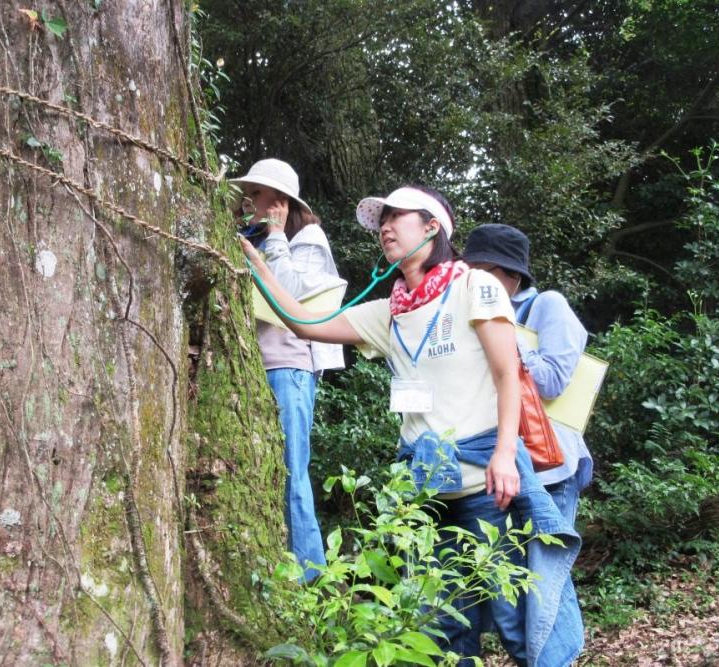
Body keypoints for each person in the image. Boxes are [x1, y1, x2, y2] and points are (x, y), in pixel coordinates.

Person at [240, 186, 582, 666]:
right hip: (426, 495)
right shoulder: (390, 312)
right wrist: (253, 256)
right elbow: (303, 322)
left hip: (487, 484)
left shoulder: (474, 287)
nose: (384, 226)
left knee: (515, 620)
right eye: (381, 219)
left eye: (397, 216)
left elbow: (509, 375)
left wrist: (506, 453)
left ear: (432, 227)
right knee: (441, 628)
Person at [229, 158, 345, 581]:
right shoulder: (254, 237)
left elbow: (293, 297)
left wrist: (277, 238)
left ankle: (309, 578)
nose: (247, 203)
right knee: (267, 468)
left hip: (291, 368)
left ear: (278, 202)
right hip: (259, 364)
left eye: (254, 195)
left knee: (292, 471)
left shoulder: (308, 237)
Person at [461, 223, 593, 527]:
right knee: (518, 572)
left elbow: (552, 382)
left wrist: (506, 333)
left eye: (481, 271)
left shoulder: (548, 304)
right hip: (502, 464)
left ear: (513, 275)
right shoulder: (470, 312)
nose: (470, 280)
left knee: (549, 568)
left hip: (551, 466)